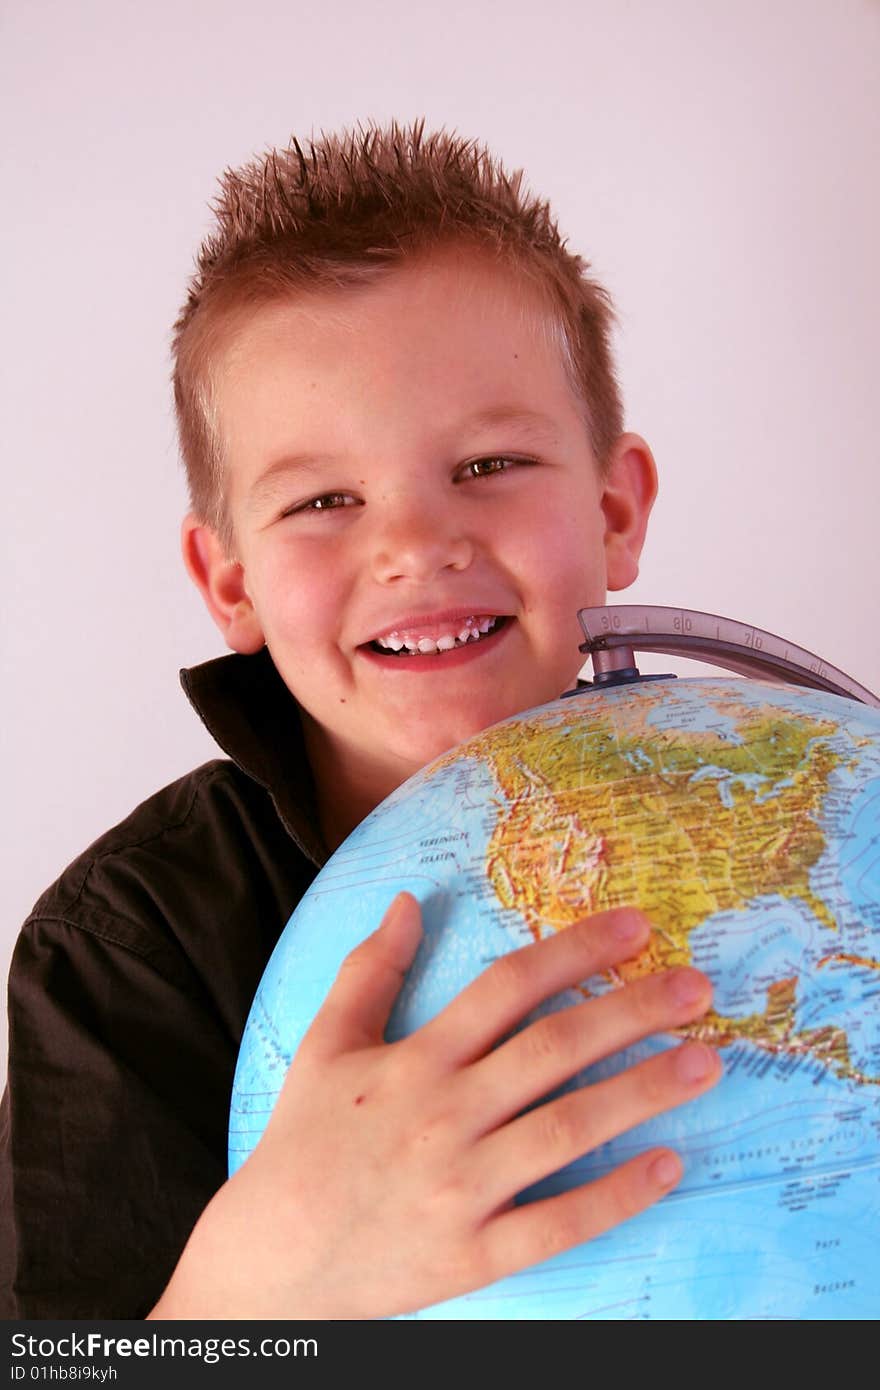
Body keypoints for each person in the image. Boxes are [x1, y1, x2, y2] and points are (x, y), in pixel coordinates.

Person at [0, 120, 722, 1319]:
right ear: (229, 582)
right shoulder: (128, 949)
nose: (412, 546)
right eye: (323, 498)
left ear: (613, 507)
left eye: (488, 464)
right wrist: (271, 1276)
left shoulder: (796, 819)